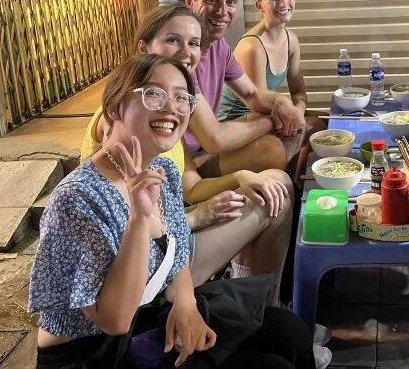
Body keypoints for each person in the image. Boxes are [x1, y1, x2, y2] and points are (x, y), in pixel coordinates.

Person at [30, 54, 316, 369]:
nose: (171, 108)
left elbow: (177, 249)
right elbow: (114, 320)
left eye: (181, 97)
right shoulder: (77, 199)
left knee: (289, 332)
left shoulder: (162, 168)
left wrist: (187, 304)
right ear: (113, 108)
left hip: (147, 319)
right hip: (93, 351)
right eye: (153, 94)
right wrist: (139, 220)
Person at [81, 4, 294, 302]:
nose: (186, 52)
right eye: (173, 40)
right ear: (143, 47)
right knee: (277, 194)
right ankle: (261, 305)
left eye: (194, 43)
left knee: (271, 181)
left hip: (174, 233)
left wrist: (241, 177)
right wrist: (198, 217)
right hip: (151, 267)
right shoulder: (125, 116)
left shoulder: (169, 111)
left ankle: (252, 299)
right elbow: (121, 227)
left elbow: (191, 187)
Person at [183, 0, 305, 180]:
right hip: (190, 162)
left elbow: (252, 95)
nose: (222, 11)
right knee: (271, 149)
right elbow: (214, 140)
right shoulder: (183, 58)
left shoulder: (219, 46)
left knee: (304, 132)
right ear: (190, 1)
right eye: (211, 1)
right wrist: (275, 121)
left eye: (230, 2)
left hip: (208, 147)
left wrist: (280, 102)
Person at [218, 0, 306, 124]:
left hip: (267, 115)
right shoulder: (252, 46)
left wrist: (298, 113)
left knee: (321, 124)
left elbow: (299, 93)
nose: (283, 3)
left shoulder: (291, 40)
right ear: (259, 6)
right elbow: (259, 106)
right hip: (237, 120)